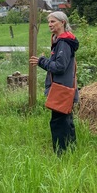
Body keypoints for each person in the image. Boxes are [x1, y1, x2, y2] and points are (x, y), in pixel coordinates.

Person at [29, 11, 79, 156]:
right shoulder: (62, 40)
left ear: (62, 22)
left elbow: (59, 67)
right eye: (49, 22)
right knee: (66, 121)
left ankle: (61, 155)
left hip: (61, 89)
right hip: (64, 88)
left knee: (58, 123)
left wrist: (41, 61)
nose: (50, 24)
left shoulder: (63, 43)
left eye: (53, 21)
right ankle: (71, 152)